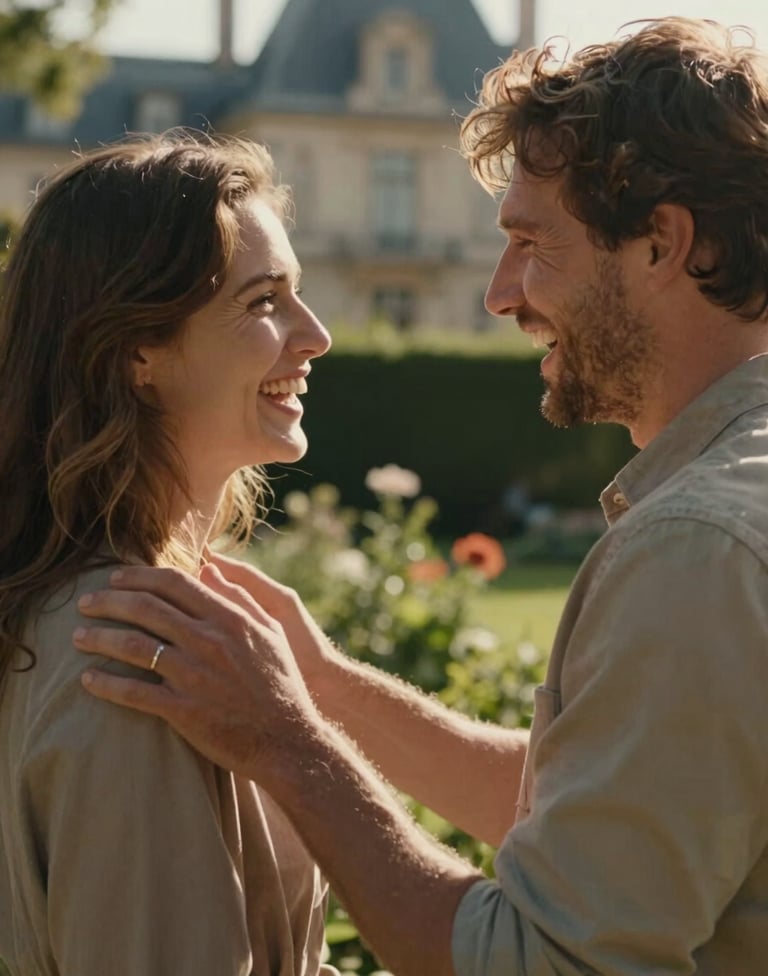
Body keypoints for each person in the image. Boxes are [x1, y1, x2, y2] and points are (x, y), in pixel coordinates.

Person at [73, 17, 768, 976]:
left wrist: (287, 741)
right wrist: (321, 685)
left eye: (531, 242)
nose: (497, 292)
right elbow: (623, 809)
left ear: (662, 243)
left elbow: (538, 963)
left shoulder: (698, 543)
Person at [0, 131, 335, 975]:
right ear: (137, 350)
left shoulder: (109, 610)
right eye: (264, 301)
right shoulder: (132, 648)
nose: (316, 335)